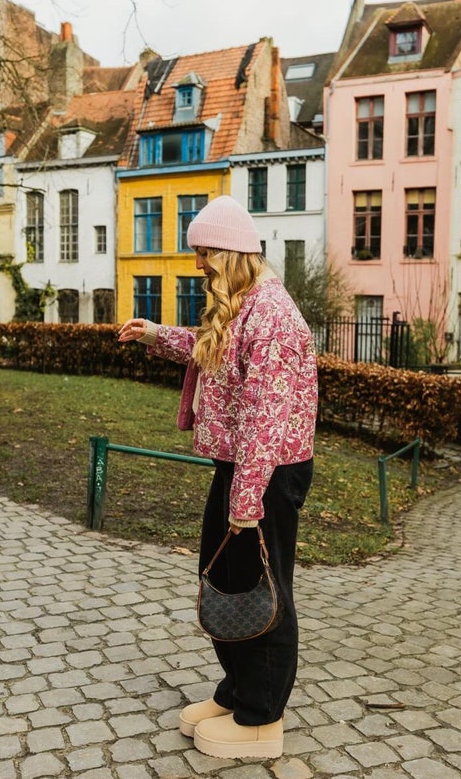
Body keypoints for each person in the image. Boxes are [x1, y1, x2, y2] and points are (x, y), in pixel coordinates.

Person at [117, 195, 317, 760]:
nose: (199, 266)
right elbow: (212, 354)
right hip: (241, 467)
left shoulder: (273, 318)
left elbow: (265, 418)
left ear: (230, 254)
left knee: (264, 589)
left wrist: (247, 498)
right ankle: (236, 694)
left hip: (267, 472)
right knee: (228, 583)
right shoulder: (241, 305)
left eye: (205, 255)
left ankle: (261, 717)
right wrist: (156, 334)